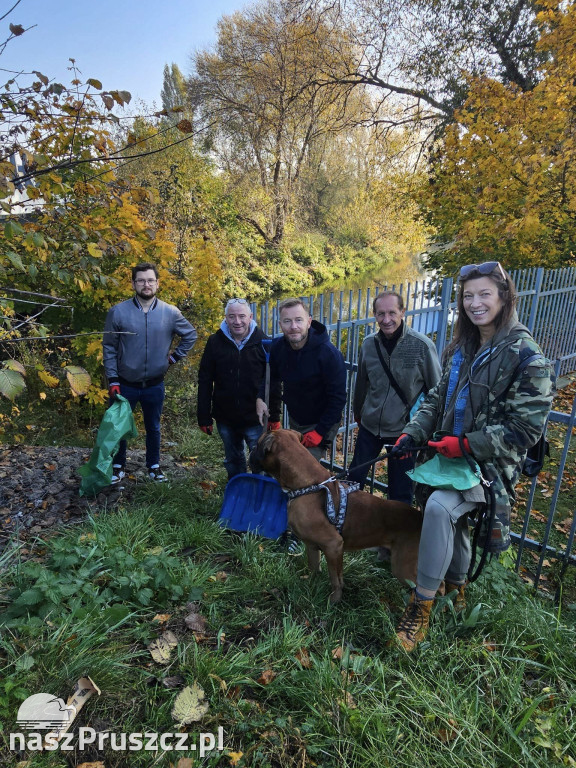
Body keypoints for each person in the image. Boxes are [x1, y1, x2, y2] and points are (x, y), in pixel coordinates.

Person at [388, 261, 554, 652]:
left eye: (484, 295)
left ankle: (421, 606)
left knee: (440, 510)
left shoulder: (527, 356)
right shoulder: (463, 347)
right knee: (456, 525)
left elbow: (524, 431)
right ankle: (457, 592)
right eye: (468, 296)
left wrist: (466, 445)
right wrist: (413, 432)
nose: (475, 303)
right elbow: (436, 399)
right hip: (451, 456)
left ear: (503, 297)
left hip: (490, 466)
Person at [103, 262, 197, 483]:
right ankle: (118, 466)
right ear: (134, 283)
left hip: (155, 383)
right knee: (120, 427)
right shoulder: (118, 312)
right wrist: (113, 378)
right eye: (141, 280)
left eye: (150, 280)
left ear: (157, 283)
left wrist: (173, 358)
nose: (146, 284)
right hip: (125, 382)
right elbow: (108, 347)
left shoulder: (170, 312)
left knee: (153, 427)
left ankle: (154, 466)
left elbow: (190, 335)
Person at [348, 291, 441, 503]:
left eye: (392, 312)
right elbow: (362, 383)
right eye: (381, 314)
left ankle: (397, 533)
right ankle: (350, 525)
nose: (386, 319)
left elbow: (436, 391)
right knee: (353, 481)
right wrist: (358, 413)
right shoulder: (369, 344)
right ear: (374, 315)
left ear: (403, 312)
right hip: (370, 427)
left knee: (400, 491)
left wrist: (423, 430)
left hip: (403, 432)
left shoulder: (421, 346)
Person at [196, 298, 281, 479]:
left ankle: (259, 493)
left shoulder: (264, 343)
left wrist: (274, 416)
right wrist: (203, 416)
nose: (237, 321)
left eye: (242, 316)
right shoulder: (215, 342)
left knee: (260, 459)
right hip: (226, 417)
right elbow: (205, 379)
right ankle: (237, 488)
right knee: (233, 459)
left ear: (250, 317)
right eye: (232, 316)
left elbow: (272, 382)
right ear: (226, 318)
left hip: (255, 419)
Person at [256, 298, 347, 460]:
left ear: (309, 322)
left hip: (322, 420)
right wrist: (261, 398)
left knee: (303, 466)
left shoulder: (328, 354)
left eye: (299, 320)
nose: (293, 327)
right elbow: (272, 380)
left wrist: (320, 431)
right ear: (280, 324)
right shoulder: (278, 348)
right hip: (296, 418)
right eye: (287, 321)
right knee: (293, 462)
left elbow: (338, 399)